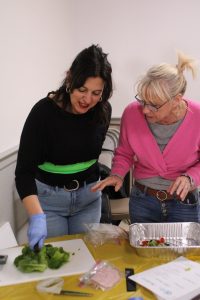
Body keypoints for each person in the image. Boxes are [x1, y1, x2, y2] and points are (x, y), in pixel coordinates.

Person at [15, 44, 113, 249]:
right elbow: (23, 173)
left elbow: (89, 158)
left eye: (96, 93)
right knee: (56, 263)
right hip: (50, 203)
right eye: (82, 90)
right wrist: (37, 216)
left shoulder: (103, 110)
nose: (88, 100)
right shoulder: (43, 113)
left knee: (85, 261)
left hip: (89, 200)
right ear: (70, 79)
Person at [92, 51, 200, 224]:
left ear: (176, 100)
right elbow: (124, 152)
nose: (145, 110)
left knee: (184, 252)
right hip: (143, 201)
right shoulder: (131, 113)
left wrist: (190, 177)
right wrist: (118, 174)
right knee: (142, 251)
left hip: (184, 203)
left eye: (154, 105)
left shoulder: (198, 117)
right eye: (143, 101)